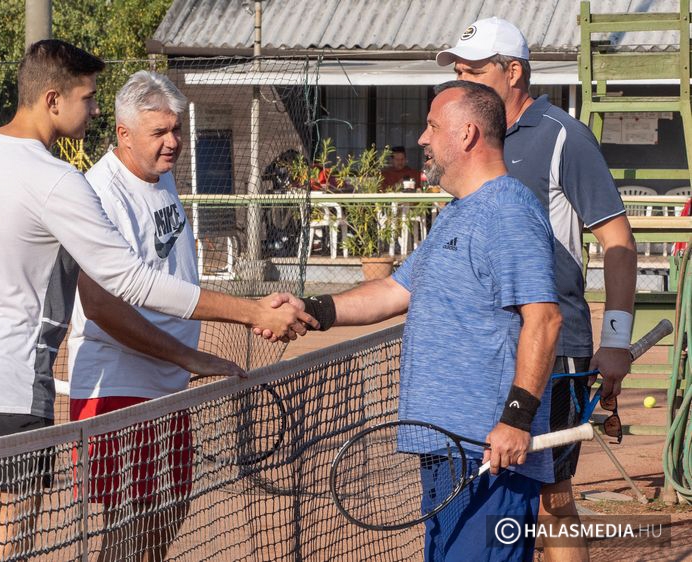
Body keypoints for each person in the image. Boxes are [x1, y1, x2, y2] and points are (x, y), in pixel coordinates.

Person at [0, 40, 314, 560]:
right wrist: (250, 311)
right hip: (12, 381)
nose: (94, 110)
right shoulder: (57, 179)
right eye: (86, 98)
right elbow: (128, 281)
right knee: (6, 530)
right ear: (53, 100)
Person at [264, 80, 561, 561]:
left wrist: (515, 419)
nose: (422, 139)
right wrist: (311, 310)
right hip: (445, 450)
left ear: (467, 134)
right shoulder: (457, 213)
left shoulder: (508, 211)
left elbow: (544, 319)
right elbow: (394, 291)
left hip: (487, 453)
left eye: (431, 126)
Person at [436, 17, 637, 561]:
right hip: (486, 354)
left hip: (555, 346)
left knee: (552, 500)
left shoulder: (563, 136)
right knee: (502, 496)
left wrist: (616, 338)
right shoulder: (471, 140)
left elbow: (619, 241)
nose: (462, 82)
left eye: (474, 72)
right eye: (459, 73)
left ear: (513, 72)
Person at [66, 70, 202, 562]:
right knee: (128, 523)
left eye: (176, 129)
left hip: (168, 379)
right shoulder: (101, 193)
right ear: (124, 134)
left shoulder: (161, 174)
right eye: (159, 132)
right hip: (119, 383)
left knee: (169, 509)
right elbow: (103, 308)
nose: (173, 142)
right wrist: (188, 355)